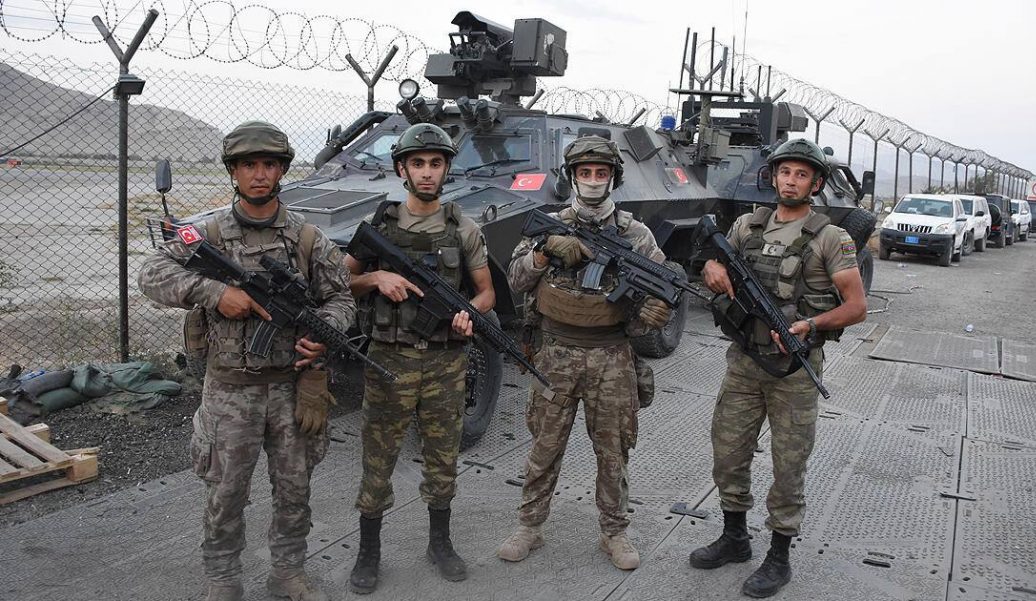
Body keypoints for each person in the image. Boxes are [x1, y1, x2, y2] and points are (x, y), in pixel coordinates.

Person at [138, 121, 355, 601]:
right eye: (249, 165)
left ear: (281, 171)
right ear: (233, 172)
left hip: (292, 388)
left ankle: (288, 574)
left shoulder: (308, 239)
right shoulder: (208, 234)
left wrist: (325, 332)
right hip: (230, 389)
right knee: (225, 492)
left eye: (269, 165)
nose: (259, 174)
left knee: (294, 491)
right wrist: (216, 293)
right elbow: (152, 274)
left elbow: (341, 299)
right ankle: (222, 579)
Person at [691, 138, 867, 598]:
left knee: (788, 465)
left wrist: (810, 325)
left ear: (816, 184)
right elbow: (709, 258)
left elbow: (856, 307)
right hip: (743, 363)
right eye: (784, 172)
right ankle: (734, 537)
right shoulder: (747, 225)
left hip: (794, 372)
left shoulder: (831, 238)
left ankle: (779, 556)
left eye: (801, 174)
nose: (790, 181)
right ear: (773, 177)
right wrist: (710, 265)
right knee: (728, 452)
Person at [496, 136, 671, 570]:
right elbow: (515, 280)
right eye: (585, 173)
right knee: (544, 446)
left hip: (611, 356)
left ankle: (614, 532)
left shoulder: (636, 234)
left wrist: (654, 311)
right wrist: (543, 253)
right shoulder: (550, 225)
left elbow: (660, 289)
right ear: (571, 177)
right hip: (555, 353)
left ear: (613, 178)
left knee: (613, 451)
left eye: (601, 173)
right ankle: (529, 526)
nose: (593, 180)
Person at [343, 123, 495, 593]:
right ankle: (369, 550)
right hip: (390, 361)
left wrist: (470, 315)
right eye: (417, 163)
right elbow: (341, 282)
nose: (426, 172)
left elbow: (486, 293)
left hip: (446, 363)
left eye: (435, 164)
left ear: (446, 169)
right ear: (402, 170)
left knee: (442, 455)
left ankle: (440, 543)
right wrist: (376, 279)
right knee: (378, 457)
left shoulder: (464, 229)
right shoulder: (379, 227)